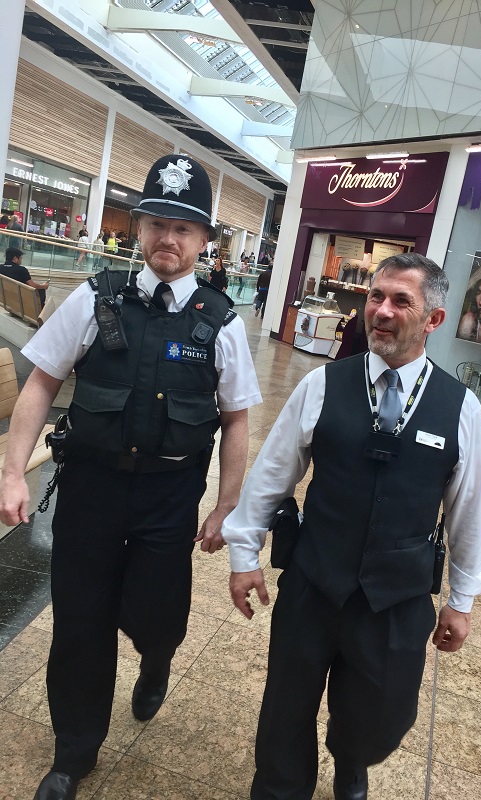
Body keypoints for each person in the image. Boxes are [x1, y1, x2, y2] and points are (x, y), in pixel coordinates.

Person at [0, 154, 262, 800]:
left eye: (184, 228)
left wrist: (225, 507)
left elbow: (235, 422)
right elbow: (40, 384)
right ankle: (73, 752)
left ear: (205, 242)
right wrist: (12, 473)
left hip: (168, 499)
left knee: (156, 615)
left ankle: (159, 656)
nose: (167, 238)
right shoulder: (95, 298)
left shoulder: (220, 323)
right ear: (140, 228)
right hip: (90, 491)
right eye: (157, 223)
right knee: (80, 625)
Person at [223, 253, 481, 800]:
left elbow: (469, 511)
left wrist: (460, 600)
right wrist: (243, 556)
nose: (382, 311)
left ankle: (353, 763)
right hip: (313, 582)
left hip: (396, 597)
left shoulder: (459, 408)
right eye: (376, 296)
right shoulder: (322, 386)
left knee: (380, 716)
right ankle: (280, 788)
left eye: (400, 301)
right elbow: (272, 475)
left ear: (433, 320)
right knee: (285, 709)